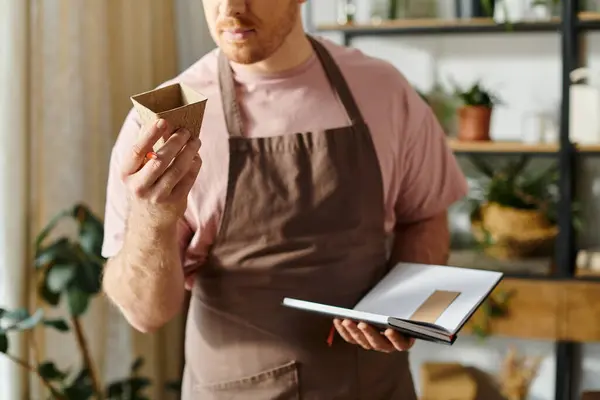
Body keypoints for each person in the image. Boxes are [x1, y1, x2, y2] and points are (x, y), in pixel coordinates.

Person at [101, 0, 469, 398]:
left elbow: (425, 215)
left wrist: (405, 306)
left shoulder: (383, 90)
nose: (231, 7)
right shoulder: (166, 123)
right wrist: (152, 217)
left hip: (378, 388)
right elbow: (145, 313)